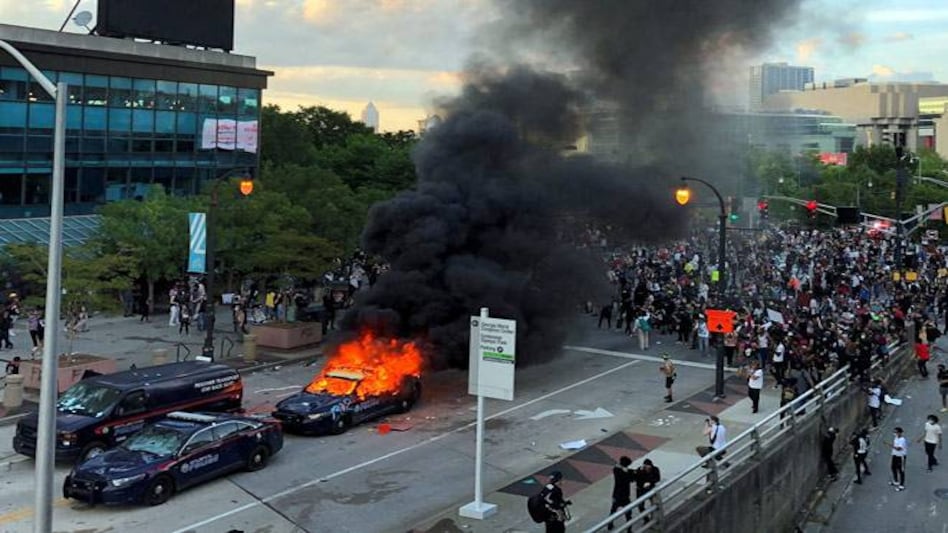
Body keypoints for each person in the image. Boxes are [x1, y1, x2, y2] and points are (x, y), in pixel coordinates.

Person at [606, 456, 634, 531]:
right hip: (623, 495)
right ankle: (629, 529)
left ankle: (610, 525)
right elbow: (628, 479)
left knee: (613, 511)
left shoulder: (617, 470)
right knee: (628, 513)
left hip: (617, 495)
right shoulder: (621, 472)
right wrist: (626, 472)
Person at [635, 459, 661, 524]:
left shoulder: (655, 469)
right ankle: (646, 519)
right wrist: (640, 471)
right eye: (645, 467)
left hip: (650, 488)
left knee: (655, 503)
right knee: (640, 505)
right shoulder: (640, 470)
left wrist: (650, 482)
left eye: (648, 467)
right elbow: (637, 479)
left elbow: (657, 478)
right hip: (641, 489)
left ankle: (654, 517)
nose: (647, 468)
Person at [890, 426, 907, 491]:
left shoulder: (902, 440)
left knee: (901, 470)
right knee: (893, 468)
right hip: (895, 455)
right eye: (894, 432)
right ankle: (896, 481)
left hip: (900, 457)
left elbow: (899, 448)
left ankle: (901, 485)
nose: (894, 433)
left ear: (900, 433)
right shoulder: (896, 438)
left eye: (896, 432)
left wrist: (890, 445)